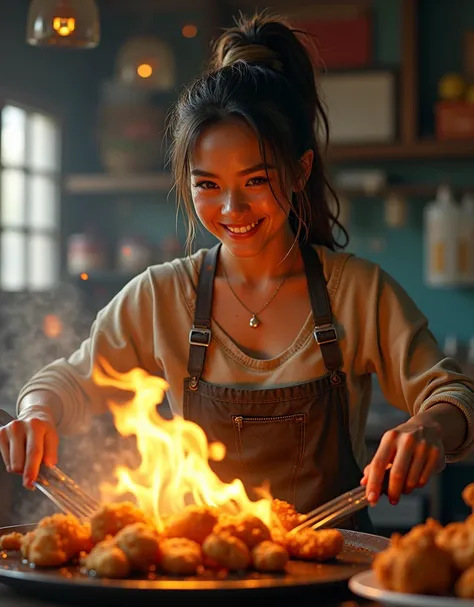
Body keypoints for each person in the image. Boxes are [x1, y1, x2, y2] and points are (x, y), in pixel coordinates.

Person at [1, 13, 473, 533]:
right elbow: (69, 379)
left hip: (330, 573)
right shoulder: (161, 296)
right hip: (203, 575)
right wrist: (37, 413)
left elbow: (454, 395)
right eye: (207, 185)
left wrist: (429, 426)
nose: (233, 208)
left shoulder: (358, 292)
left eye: (256, 180)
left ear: (301, 171)